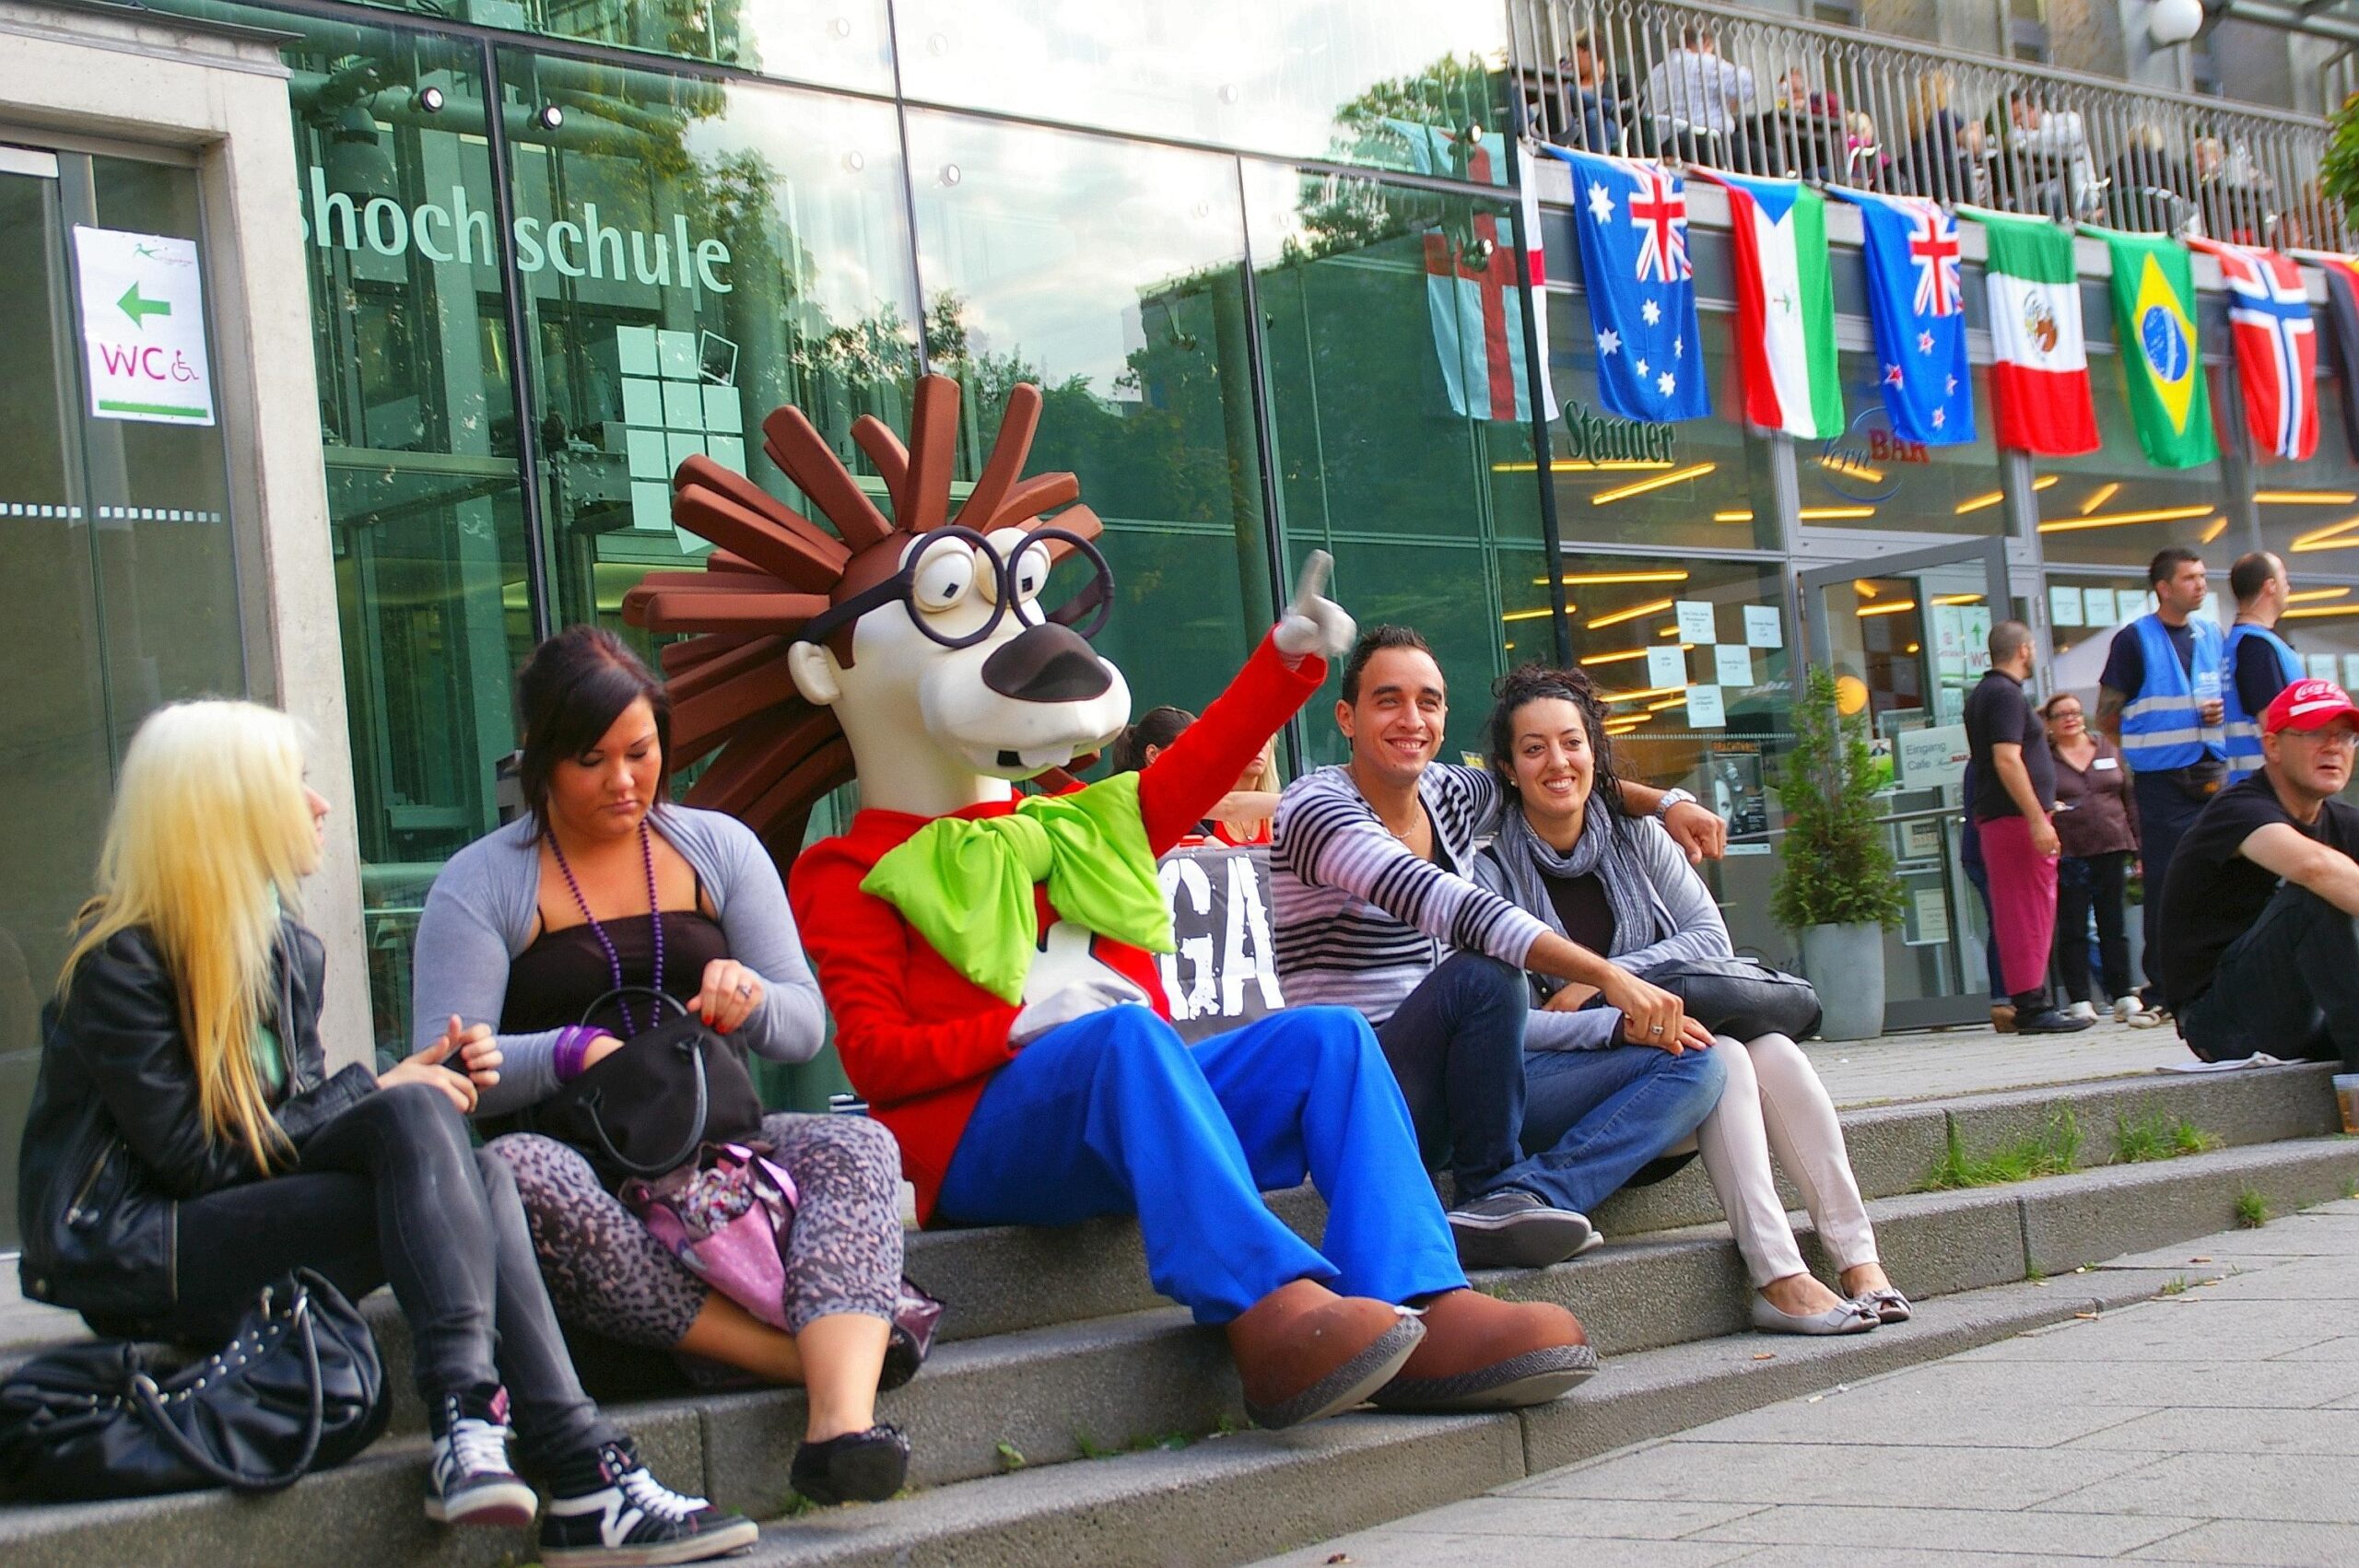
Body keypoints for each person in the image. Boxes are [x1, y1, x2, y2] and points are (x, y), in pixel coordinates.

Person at [17, 701, 751, 1566]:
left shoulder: (285, 949)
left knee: (473, 1166)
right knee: (408, 1109)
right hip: (138, 1252)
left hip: (237, 1215)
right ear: (230, 808)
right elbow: (199, 1161)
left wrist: (397, 1088)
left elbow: (287, 1129)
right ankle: (527, 1441)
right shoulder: (122, 962)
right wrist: (379, 1090)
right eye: (295, 785)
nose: (321, 805)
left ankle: (523, 1444)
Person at [410, 627, 910, 1508]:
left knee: (859, 1148)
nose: (622, 781)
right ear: (540, 764)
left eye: (640, 753)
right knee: (516, 1175)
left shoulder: (716, 847)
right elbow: (450, 1070)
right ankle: (815, 1354)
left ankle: (839, 1430)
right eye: (590, 760)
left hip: (720, 1146)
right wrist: (569, 1052)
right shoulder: (481, 882)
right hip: (583, 1164)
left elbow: (803, 1025)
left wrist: (750, 995)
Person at [1273, 626, 1730, 1269]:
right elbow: (1453, 908)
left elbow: (1557, 780)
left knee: (1696, 1061)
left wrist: (1669, 803)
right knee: (1487, 972)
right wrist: (1607, 975)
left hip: (1467, 1091)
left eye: (1428, 702)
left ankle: (1518, 1199)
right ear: (1346, 717)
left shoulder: (1450, 793)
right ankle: (1490, 1183)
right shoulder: (1319, 809)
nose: (1412, 719)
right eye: (1388, 700)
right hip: (1365, 1092)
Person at [1473, 668, 1906, 1335]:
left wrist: (1601, 979)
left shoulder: (1637, 836)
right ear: (1507, 767)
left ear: (1595, 751)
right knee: (1722, 1050)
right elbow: (1509, 1026)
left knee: (1769, 1051)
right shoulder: (1487, 866)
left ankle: (1858, 1260)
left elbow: (1709, 940)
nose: (1557, 762)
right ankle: (1780, 1278)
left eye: (1572, 742)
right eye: (1534, 749)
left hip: (1670, 1080)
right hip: (1567, 1089)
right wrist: (1614, 1026)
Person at [2154, 679, 2359, 1071]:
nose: (2334, 747)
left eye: (2346, 737)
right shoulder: (2238, 809)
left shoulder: (2345, 822)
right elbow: (2313, 868)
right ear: (2273, 746)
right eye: (2315, 732)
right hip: (2221, 1021)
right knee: (2317, 893)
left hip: (2310, 1010)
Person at [2097, 547, 2227, 1011]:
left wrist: (2219, 713)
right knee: (2169, 881)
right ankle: (2164, 987)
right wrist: (2141, 748)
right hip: (2163, 780)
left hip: (2212, 768)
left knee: (2221, 876)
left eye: (2203, 576)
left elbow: (2226, 696)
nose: (2201, 584)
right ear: (2164, 588)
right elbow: (2107, 718)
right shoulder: (2135, 640)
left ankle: (2218, 975)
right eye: (2190, 577)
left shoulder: (2213, 634)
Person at [1965, 620, 2088, 1034]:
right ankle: (2033, 1005)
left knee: (2019, 911)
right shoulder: (2004, 694)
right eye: (2033, 648)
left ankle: (2030, 1000)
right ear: (2024, 650)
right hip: (2014, 820)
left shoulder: (1986, 693)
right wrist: (2037, 817)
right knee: (2028, 911)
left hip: (2005, 817)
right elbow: (2007, 758)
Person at [2043, 693, 2152, 1026]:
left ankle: (2122, 993)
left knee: (2113, 924)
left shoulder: (2107, 748)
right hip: (2070, 850)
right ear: (2049, 723)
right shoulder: (2046, 760)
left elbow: (2128, 798)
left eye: (2075, 712)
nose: (2070, 719)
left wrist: (2139, 847)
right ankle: (2079, 998)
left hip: (2111, 844)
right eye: (2061, 714)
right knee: (2073, 925)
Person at [1109, 705, 1280, 847]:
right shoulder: (1143, 793)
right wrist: (1297, 799)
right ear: (1153, 754)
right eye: (1185, 753)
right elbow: (1230, 806)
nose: (1195, 763)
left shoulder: (1171, 797)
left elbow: (1230, 809)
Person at [2223, 550, 2301, 785]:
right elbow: (2273, 723)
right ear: (2270, 586)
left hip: (2254, 780)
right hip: (2271, 782)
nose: (2289, 588)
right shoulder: (2256, 647)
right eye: (2284, 580)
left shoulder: (2238, 642)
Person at [1641, 23, 1754, 161]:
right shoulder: (1702, 62)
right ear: (1705, 43)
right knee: (1770, 158)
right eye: (1711, 50)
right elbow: (1748, 83)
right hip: (1706, 143)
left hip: (1665, 149)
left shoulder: (1655, 73)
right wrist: (1733, 101)